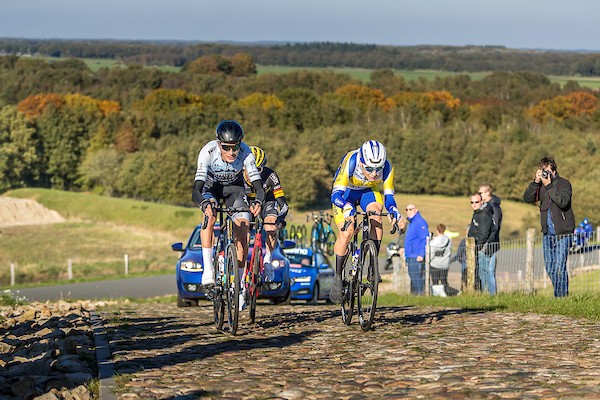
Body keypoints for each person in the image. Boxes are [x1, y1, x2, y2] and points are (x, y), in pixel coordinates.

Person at [192, 120, 265, 303]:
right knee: (209, 216)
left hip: (235, 189)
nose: (232, 152)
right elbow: (196, 190)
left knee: (243, 227)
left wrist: (258, 201)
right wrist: (204, 204)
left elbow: (258, 186)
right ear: (218, 144)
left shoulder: (246, 152)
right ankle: (208, 270)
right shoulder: (207, 152)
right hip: (212, 187)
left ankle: (238, 286)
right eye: (226, 148)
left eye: (235, 147)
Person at [329, 140, 403, 303]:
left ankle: (372, 266)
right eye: (369, 169)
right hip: (345, 193)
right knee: (347, 232)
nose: (374, 174)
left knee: (376, 215)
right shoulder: (352, 161)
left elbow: (389, 197)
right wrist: (347, 207)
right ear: (362, 161)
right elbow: (335, 196)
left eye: (379, 169)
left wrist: (393, 210)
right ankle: (338, 276)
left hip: (368, 192)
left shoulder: (388, 167)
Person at [523, 157, 575, 297]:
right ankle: (559, 294)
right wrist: (536, 182)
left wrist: (549, 186)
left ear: (554, 170)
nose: (544, 174)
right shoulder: (541, 186)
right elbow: (527, 198)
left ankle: (561, 297)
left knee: (559, 267)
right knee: (550, 267)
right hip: (547, 232)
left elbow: (563, 202)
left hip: (563, 232)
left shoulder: (564, 183)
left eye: (547, 171)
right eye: (542, 171)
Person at [243, 146, 289, 281]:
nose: (254, 173)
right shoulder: (237, 175)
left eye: (259, 169)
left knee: (271, 227)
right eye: (251, 169)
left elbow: (283, 204)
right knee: (243, 230)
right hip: (246, 204)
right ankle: (242, 263)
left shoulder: (271, 176)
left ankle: (268, 260)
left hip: (267, 202)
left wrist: (281, 218)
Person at [467, 193, 494, 293]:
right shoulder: (477, 212)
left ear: (481, 202)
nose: (474, 204)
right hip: (477, 246)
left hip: (483, 248)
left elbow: (484, 234)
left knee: (485, 273)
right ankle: (484, 294)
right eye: (472, 202)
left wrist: (476, 247)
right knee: (481, 273)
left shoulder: (484, 214)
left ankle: (489, 295)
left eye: (476, 202)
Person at [478, 183, 501, 294]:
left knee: (490, 271)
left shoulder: (494, 207)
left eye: (481, 193)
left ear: (487, 192)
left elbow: (495, 227)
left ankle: (492, 295)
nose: (479, 195)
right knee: (483, 272)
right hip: (484, 243)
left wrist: (486, 243)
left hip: (490, 244)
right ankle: (485, 294)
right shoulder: (485, 206)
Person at [404, 204, 429, 295]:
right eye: (406, 209)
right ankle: (417, 296)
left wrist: (421, 254)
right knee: (413, 277)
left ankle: (421, 296)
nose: (408, 211)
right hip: (410, 255)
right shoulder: (412, 223)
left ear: (416, 210)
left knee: (417, 278)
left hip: (416, 255)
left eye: (410, 209)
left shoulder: (419, 222)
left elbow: (424, 239)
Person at [429, 223, 452, 297]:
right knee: (443, 280)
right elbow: (449, 251)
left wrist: (429, 260)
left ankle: (436, 294)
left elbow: (431, 251)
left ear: (437, 230)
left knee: (435, 280)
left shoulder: (433, 242)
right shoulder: (448, 239)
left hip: (434, 263)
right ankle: (445, 293)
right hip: (444, 263)